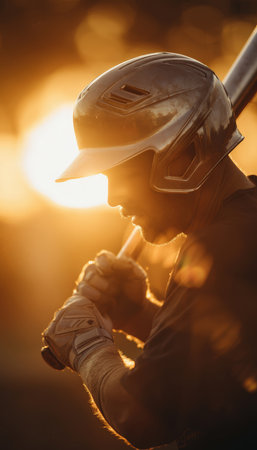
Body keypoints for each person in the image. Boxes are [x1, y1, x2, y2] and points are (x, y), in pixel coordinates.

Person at [42, 53, 257, 449]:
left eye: (122, 173)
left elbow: (142, 417)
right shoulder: (244, 225)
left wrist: (85, 345)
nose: (111, 199)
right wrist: (137, 314)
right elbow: (225, 363)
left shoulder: (221, 249)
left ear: (186, 153)